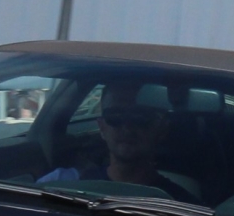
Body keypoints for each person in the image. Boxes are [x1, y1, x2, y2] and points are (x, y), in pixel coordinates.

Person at [40, 82, 191, 198]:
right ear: (102, 127)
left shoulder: (180, 206)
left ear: (161, 129)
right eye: (115, 116)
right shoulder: (59, 185)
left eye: (140, 118)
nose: (127, 128)